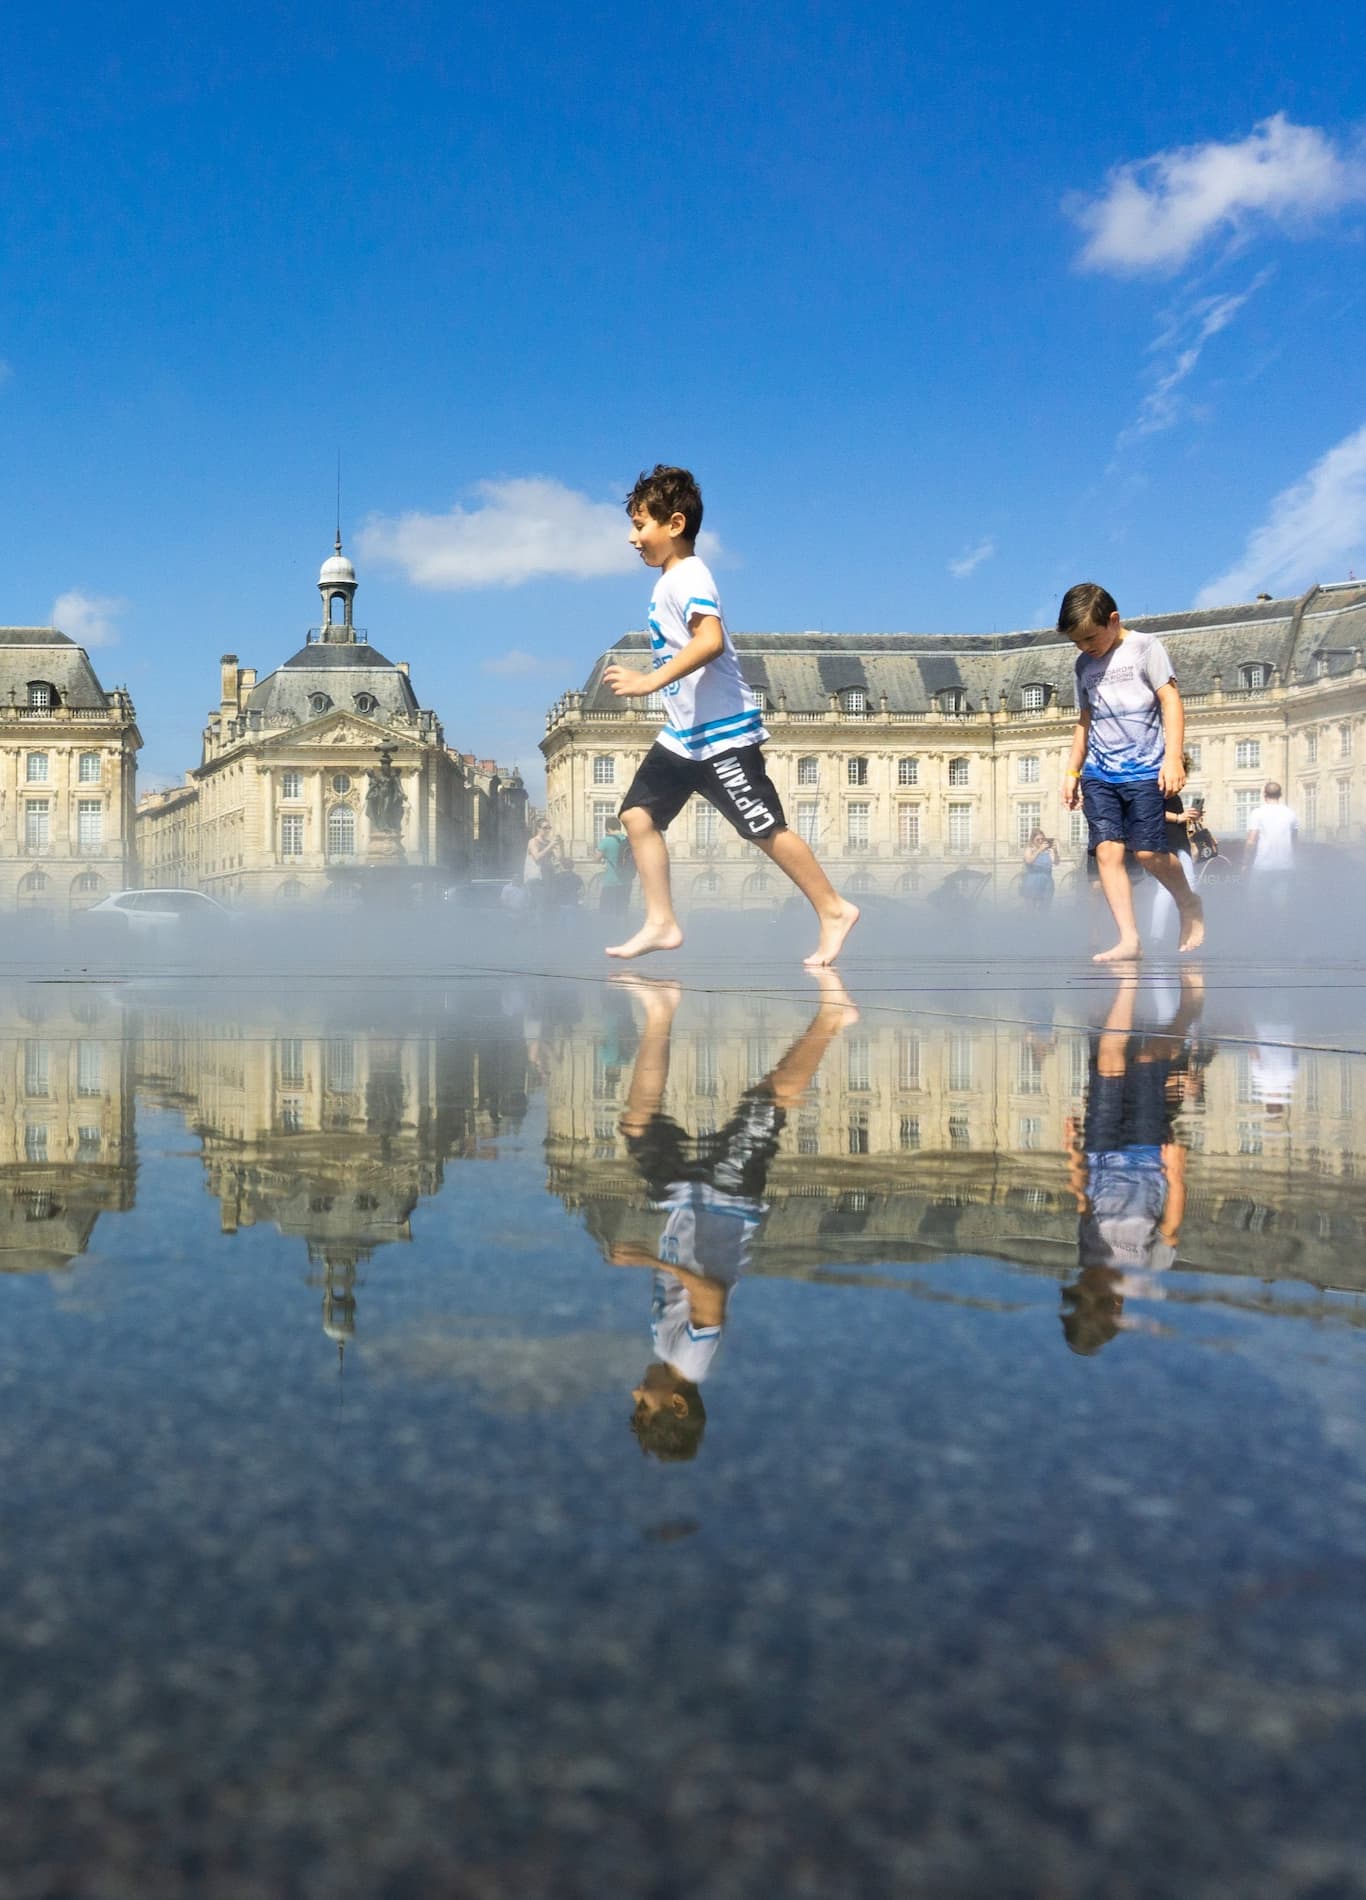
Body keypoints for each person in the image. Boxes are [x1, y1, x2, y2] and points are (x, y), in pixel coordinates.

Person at [601, 465, 859, 966]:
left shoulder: (691, 576)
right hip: (685, 735)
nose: (633, 538)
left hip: (721, 736)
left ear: (674, 524)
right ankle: (661, 921)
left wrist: (648, 682)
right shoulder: (668, 581)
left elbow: (710, 640)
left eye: (641, 525)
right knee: (637, 816)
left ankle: (833, 909)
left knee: (764, 829)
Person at [605, 969, 858, 1459]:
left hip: (687, 1201)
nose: (636, 1394)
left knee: (637, 1125)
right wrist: (650, 1263)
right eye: (644, 1408)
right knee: (765, 1104)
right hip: (727, 1200)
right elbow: (711, 1297)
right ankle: (833, 1018)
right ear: (676, 1406)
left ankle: (662, 1009)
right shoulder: (691, 1361)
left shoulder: (664, 1351)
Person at [1060, 969, 1205, 1354]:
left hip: (1102, 1150)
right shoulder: (1148, 1271)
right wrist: (1176, 1175)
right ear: (1117, 1301)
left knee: (1109, 1058)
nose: (1087, 1275)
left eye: (1081, 1282)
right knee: (1146, 1057)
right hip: (1144, 1152)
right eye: (1093, 1285)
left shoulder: (1087, 1258)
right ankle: (1188, 1013)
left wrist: (1072, 1153)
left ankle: (1129, 981)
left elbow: (1084, 1205)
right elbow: (1171, 1226)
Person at [1058, 582, 1204, 962]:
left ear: (1114, 620)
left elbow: (1170, 699)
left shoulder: (1145, 647)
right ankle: (1129, 939)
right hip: (1099, 772)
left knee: (1148, 854)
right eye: (1077, 641)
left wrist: (1173, 758)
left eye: (1090, 637)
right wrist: (1073, 773)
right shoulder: (1083, 665)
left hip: (1143, 770)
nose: (1085, 647)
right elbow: (1084, 720)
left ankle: (1188, 903)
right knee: (1107, 851)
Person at [1245, 781, 1298, 909]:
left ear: (1264, 795)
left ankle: (1261, 928)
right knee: (1281, 905)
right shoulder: (1290, 813)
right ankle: (1280, 929)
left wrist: (1245, 863)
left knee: (1257, 903)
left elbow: (1251, 841)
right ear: (1280, 795)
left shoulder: (1258, 813)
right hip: (1285, 865)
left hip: (1263, 865)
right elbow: (1295, 842)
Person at [596, 814, 634, 918]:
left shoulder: (606, 841)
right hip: (627, 882)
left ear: (608, 828)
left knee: (606, 912)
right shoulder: (629, 840)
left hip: (611, 882)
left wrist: (605, 858)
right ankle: (622, 932)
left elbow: (596, 859)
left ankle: (609, 932)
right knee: (622, 911)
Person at [1020, 828, 1058, 908]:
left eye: (1042, 839)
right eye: (1038, 839)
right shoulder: (1029, 849)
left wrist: (1055, 851)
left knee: (1045, 908)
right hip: (1033, 881)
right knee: (1031, 910)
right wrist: (1039, 850)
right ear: (1033, 840)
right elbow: (1029, 861)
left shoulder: (1048, 850)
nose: (1040, 841)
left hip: (1047, 881)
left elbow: (1056, 862)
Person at [523, 819, 555, 909]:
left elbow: (559, 859)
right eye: (545, 828)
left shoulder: (548, 842)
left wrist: (561, 845)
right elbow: (536, 857)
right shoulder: (533, 841)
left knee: (547, 908)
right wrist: (550, 846)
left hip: (547, 878)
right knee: (538, 909)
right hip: (535, 879)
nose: (548, 830)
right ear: (538, 828)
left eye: (549, 828)